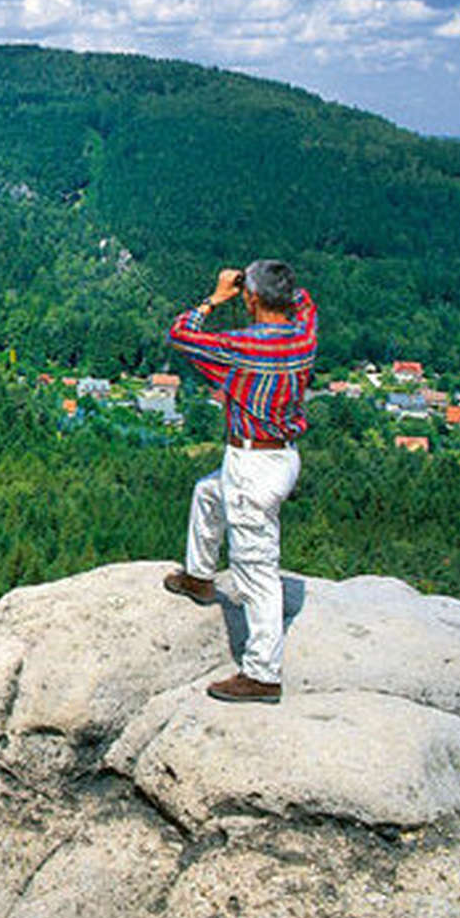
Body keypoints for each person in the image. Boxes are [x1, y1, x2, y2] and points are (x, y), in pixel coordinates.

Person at [162, 260, 318, 704]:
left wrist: (216, 296)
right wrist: (270, 282)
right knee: (208, 493)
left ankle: (262, 674)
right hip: (281, 458)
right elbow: (305, 301)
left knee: (256, 570)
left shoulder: (242, 347)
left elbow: (181, 333)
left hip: (252, 463)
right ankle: (198, 575)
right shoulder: (304, 335)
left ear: (251, 298)